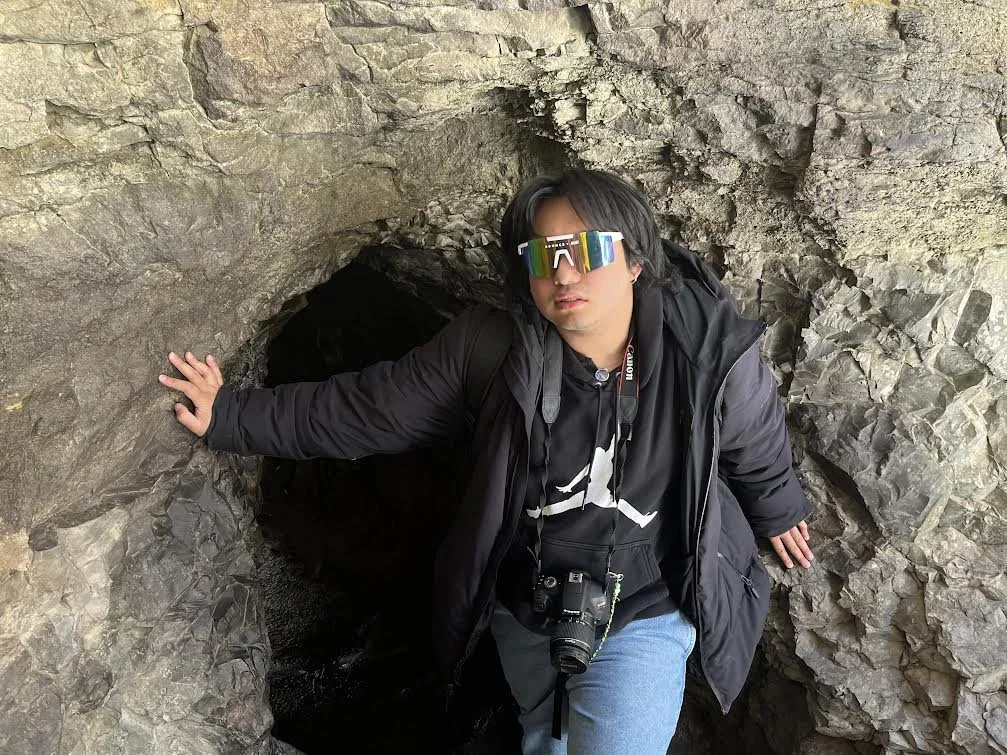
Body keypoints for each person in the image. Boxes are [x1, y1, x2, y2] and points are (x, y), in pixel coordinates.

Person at [159, 169, 814, 754]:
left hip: (644, 608)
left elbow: (751, 437)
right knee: (543, 737)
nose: (563, 273)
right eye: (543, 254)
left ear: (635, 259)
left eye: (586, 249)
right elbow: (364, 408)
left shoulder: (701, 355)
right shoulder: (487, 349)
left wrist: (778, 505)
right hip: (524, 609)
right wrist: (231, 416)